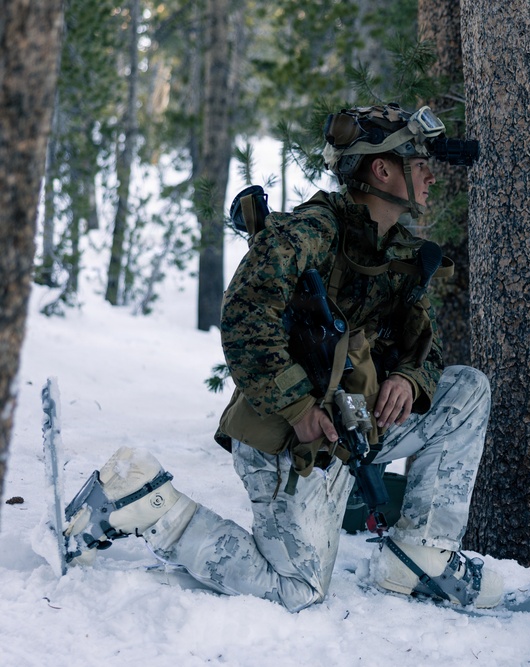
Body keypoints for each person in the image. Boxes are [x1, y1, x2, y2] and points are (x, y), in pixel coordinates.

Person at [63, 103, 502, 612]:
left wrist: (408, 377)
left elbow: (427, 346)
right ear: (382, 169)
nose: (430, 173)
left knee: (465, 390)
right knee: (297, 591)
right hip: (290, 437)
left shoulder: (401, 251)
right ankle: (145, 500)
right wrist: (299, 407)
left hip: (353, 428)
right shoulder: (311, 232)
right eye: (418, 161)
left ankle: (421, 557)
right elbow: (246, 317)